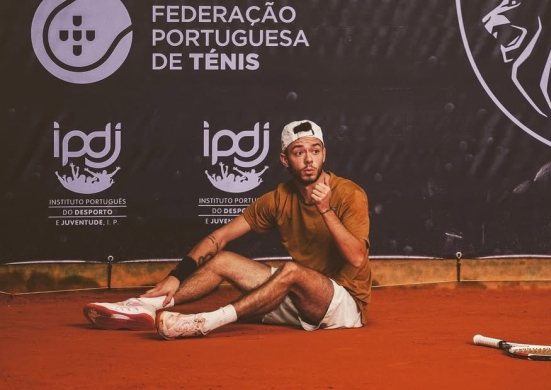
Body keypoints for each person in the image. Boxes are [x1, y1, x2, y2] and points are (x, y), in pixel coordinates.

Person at [83, 120, 371, 340]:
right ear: (285, 159)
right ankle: (146, 305)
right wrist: (175, 276)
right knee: (222, 260)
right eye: (299, 152)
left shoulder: (349, 194)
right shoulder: (278, 198)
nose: (309, 159)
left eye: (315, 151)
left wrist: (325, 210)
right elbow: (218, 238)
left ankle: (207, 321)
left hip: (343, 305)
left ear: (324, 154)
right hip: (299, 299)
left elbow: (357, 257)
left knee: (291, 271)